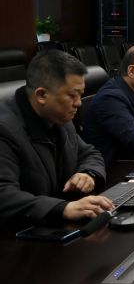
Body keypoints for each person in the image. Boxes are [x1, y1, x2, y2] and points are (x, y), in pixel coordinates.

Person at [0, 50, 113, 228]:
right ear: (41, 95)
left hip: (54, 227)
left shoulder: (58, 117)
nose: (79, 103)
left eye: (81, 94)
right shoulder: (5, 129)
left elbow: (90, 153)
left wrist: (88, 174)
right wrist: (63, 208)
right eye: (72, 95)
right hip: (19, 234)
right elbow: (4, 195)